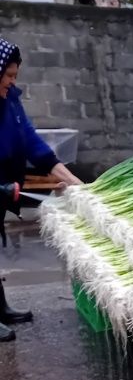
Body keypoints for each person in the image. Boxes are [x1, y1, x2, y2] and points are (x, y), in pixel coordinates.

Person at [0, 37, 81, 343]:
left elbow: (32, 141)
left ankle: (1, 308)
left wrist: (73, 181)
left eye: (14, 76)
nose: (11, 81)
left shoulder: (10, 100)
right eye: (7, 75)